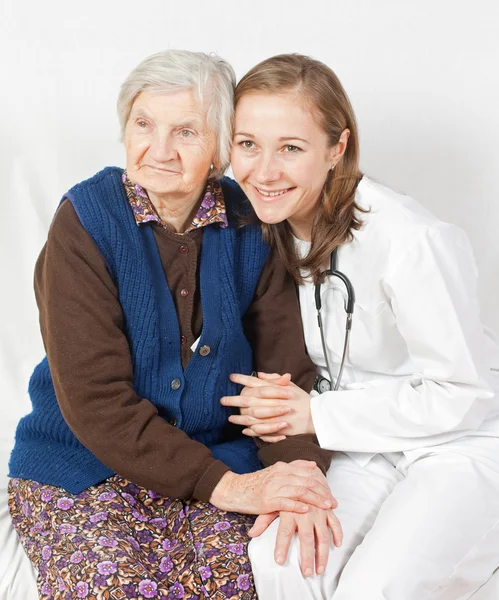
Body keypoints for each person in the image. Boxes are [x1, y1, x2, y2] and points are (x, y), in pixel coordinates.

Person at [7, 50, 340, 600]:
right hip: (83, 466)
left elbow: (286, 379)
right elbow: (95, 400)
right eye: (144, 124)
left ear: (221, 148)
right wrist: (228, 487)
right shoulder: (86, 223)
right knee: (110, 588)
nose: (158, 150)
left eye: (185, 131)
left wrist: (297, 479)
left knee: (242, 581)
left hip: (218, 458)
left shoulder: (252, 224)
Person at [223, 53, 499, 599]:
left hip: (456, 443)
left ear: (337, 148)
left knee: (374, 588)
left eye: (292, 148)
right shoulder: (257, 226)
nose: (264, 170)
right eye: (247, 143)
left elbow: (466, 393)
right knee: (282, 562)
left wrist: (313, 411)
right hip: (356, 442)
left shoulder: (411, 239)